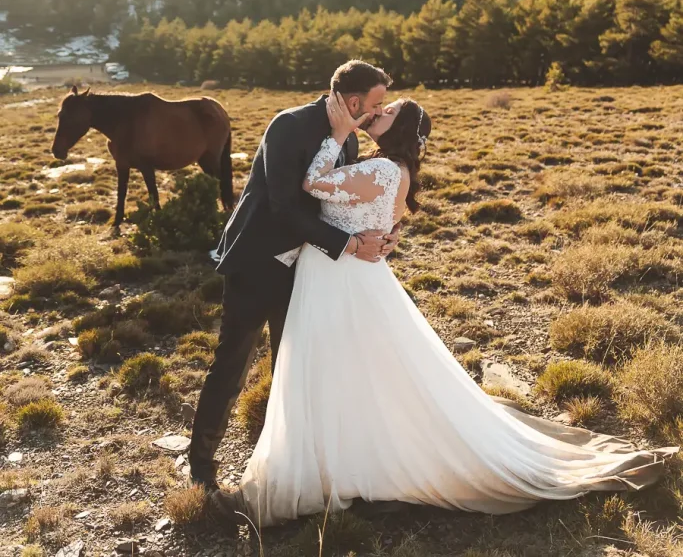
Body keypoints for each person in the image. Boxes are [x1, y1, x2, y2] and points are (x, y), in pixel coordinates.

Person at [214, 94, 675, 527]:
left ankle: (333, 463)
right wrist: (385, 233)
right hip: (344, 274)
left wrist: (334, 136)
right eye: (381, 102)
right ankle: (338, 456)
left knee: (333, 367)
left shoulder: (379, 167)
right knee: (350, 368)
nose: (381, 110)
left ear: (400, 127)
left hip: (340, 279)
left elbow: (314, 185)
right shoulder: (388, 168)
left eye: (389, 108)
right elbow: (384, 220)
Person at [188, 60, 397, 494]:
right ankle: (201, 468)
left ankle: (290, 464)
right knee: (233, 365)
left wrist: (377, 234)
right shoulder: (288, 125)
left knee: (295, 366)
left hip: (306, 270)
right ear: (354, 102)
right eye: (376, 105)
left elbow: (334, 204)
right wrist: (350, 246)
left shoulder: (350, 142)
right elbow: (285, 205)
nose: (378, 113)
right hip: (257, 262)